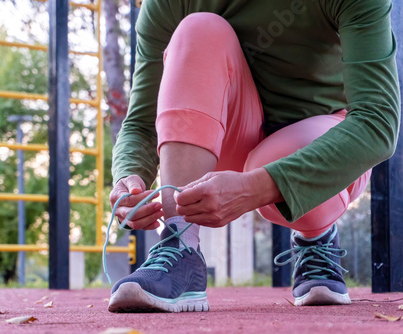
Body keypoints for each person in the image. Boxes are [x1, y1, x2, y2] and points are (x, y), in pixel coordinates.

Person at [107, 0, 400, 312]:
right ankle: (181, 246)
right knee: (199, 28)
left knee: (271, 159)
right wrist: (128, 176)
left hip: (319, 138)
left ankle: (317, 236)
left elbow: (377, 121)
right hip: (228, 138)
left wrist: (255, 187)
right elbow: (141, 121)